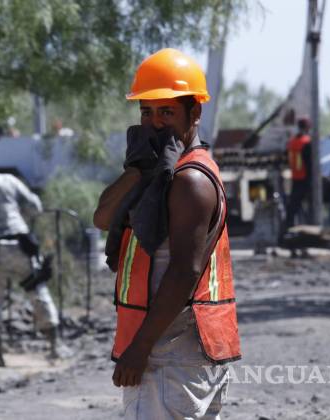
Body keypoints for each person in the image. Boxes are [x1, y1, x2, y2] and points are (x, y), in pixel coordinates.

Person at [94, 48, 241, 419]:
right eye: (147, 112)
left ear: (195, 113)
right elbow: (103, 217)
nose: (155, 124)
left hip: (169, 351)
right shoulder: (160, 175)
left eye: (167, 112)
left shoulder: (189, 180)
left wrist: (140, 349)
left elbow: (183, 271)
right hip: (179, 351)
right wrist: (138, 170)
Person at [0, 157, 60, 365]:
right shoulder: (6, 180)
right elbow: (35, 207)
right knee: (36, 289)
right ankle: (55, 346)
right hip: (18, 246)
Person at [285, 116, 312, 229]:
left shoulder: (292, 142)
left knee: (293, 206)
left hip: (295, 177)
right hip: (305, 178)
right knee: (310, 206)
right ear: (307, 127)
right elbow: (310, 163)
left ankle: (288, 228)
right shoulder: (306, 142)